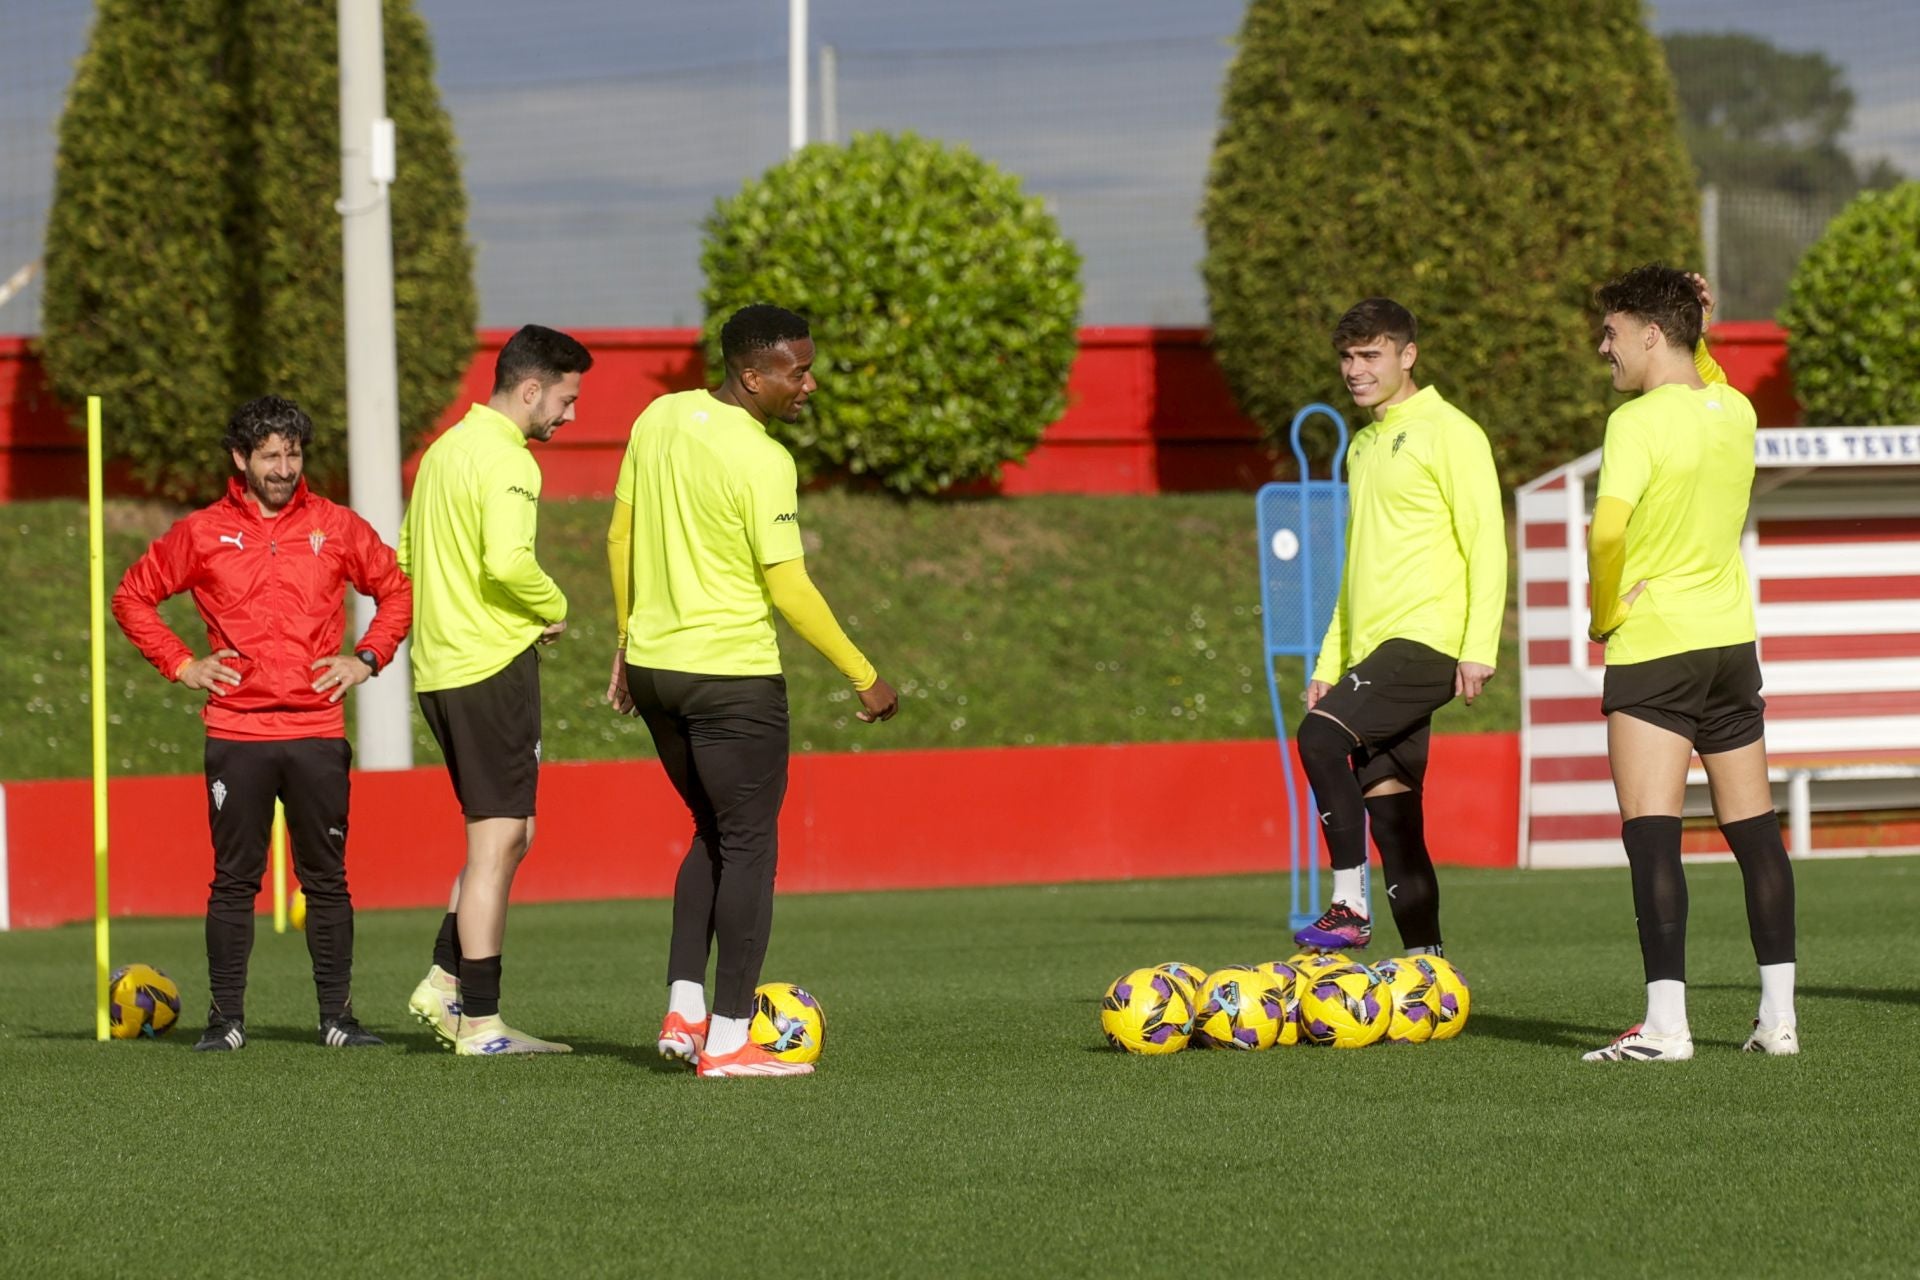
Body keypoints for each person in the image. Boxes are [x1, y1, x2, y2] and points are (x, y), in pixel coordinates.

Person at [606, 304, 898, 1078]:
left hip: (658, 671)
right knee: (750, 848)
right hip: (731, 679)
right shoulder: (764, 458)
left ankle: (686, 1009)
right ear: (751, 374)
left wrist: (627, 640)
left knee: (712, 831)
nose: (809, 382)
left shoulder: (658, 417)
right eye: (797, 370)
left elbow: (619, 537)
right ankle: (732, 1044)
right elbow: (788, 586)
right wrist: (863, 674)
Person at [112, 395, 411, 1051]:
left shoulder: (336, 526)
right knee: (234, 881)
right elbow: (132, 596)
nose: (284, 467)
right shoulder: (200, 532)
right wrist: (183, 664)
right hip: (237, 735)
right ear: (241, 459)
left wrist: (366, 658)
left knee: (326, 881)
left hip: (317, 732)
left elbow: (397, 590)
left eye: (294, 453)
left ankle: (338, 1020)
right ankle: (226, 1023)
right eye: (270, 455)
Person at [1581, 266, 1797, 1062]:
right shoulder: (1734, 411)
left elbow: (1606, 537)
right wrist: (1699, 323)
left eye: (1611, 332)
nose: (1602, 347)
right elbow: (1703, 379)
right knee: (1756, 835)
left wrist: (1604, 615)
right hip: (1731, 646)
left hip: (1657, 647)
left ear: (1649, 332)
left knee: (1653, 837)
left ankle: (1667, 1028)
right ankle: (1778, 1020)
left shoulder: (1635, 424)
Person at [1292, 298, 1506, 956]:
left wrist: (1477, 648)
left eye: (1369, 355)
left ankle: (1349, 907)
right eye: (1347, 358)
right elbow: (1355, 567)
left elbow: (1487, 543)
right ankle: (1428, 968)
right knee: (1393, 814)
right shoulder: (1363, 444)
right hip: (1372, 651)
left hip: (1428, 641)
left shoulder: (1451, 431)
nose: (1354, 370)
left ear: (1407, 356)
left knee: (1320, 742)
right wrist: (1331, 663)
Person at [401, 324, 590, 1056]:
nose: (569, 418)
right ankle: (478, 1021)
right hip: (487, 667)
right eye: (566, 401)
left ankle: (448, 982)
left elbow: (406, 556)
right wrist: (554, 604)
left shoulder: (444, 451)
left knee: (509, 835)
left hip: (444, 669)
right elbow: (509, 562)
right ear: (532, 388)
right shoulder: (509, 461)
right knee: (499, 840)